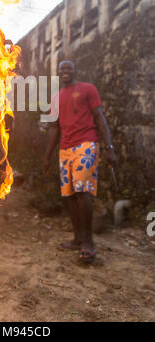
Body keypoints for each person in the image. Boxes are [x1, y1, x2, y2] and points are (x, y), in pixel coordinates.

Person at [43, 60, 117, 263]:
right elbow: (53, 129)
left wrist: (109, 147)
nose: (65, 71)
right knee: (70, 195)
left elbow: (99, 117)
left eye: (69, 68)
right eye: (62, 69)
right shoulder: (55, 98)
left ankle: (88, 243)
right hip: (65, 149)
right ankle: (77, 239)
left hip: (86, 145)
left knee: (83, 190)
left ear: (75, 70)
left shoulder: (88, 89)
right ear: (59, 73)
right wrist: (47, 156)